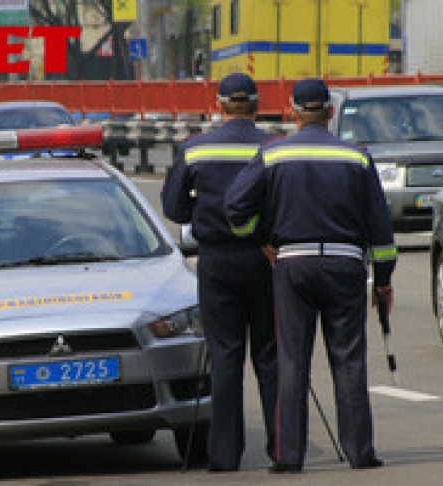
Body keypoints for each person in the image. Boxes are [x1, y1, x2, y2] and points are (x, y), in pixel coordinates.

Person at [224, 78, 397, 473]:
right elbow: (380, 227)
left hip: (293, 265)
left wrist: (260, 239)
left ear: (293, 112)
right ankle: (360, 453)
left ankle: (289, 457)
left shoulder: (272, 155)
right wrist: (383, 279)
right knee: (349, 360)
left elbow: (235, 206)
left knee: (292, 361)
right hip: (345, 265)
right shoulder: (357, 158)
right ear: (330, 112)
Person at [161, 72, 279, 472]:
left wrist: (205, 211)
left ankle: (225, 455)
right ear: (257, 106)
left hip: (216, 262)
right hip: (266, 258)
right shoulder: (273, 147)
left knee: (225, 358)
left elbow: (175, 209)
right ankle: (283, 448)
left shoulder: (195, 150)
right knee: (270, 356)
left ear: (219, 105)